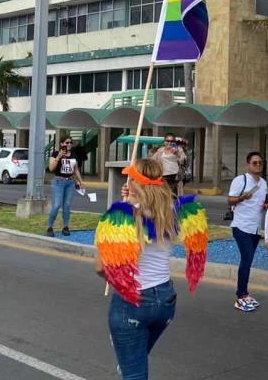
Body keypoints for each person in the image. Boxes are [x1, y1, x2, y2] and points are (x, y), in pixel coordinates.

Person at [95, 158, 178, 380]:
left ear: (134, 182)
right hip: (166, 300)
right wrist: (133, 199)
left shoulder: (120, 215)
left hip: (132, 301)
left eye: (130, 177)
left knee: (133, 373)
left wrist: (126, 205)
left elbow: (101, 268)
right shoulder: (171, 211)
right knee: (135, 360)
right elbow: (150, 209)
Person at [227, 151, 268, 312]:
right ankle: (241, 295)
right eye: (254, 163)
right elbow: (229, 200)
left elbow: (263, 203)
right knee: (246, 259)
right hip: (241, 226)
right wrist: (241, 198)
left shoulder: (264, 183)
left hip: (255, 228)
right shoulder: (240, 180)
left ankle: (244, 294)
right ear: (248, 164)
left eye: (260, 162)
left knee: (248, 261)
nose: (258, 165)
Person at [47, 136, 83, 237]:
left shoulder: (74, 155)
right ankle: (50, 227)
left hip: (70, 182)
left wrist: (80, 181)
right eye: (67, 143)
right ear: (61, 144)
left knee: (67, 206)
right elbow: (51, 168)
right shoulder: (55, 153)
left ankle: (66, 227)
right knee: (57, 205)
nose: (69, 145)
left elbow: (75, 170)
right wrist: (58, 157)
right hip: (58, 181)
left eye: (71, 143)